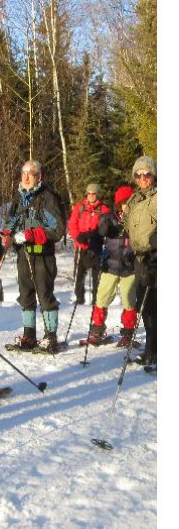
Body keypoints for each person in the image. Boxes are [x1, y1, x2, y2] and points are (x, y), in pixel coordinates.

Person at [0, 159, 67, 351]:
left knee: (45, 295)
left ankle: (50, 337)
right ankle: (29, 336)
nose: (27, 177)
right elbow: (12, 220)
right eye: (24, 173)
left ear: (39, 176)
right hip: (23, 254)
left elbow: (58, 229)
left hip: (42, 255)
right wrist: (7, 233)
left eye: (31, 173)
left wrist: (31, 234)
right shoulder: (19, 197)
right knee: (25, 295)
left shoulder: (47, 197)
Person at [79, 185, 138, 348]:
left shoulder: (138, 219)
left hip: (130, 267)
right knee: (101, 298)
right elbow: (98, 234)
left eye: (129, 202)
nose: (126, 206)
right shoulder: (109, 218)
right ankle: (98, 330)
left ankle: (128, 333)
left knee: (129, 300)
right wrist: (92, 250)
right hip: (110, 265)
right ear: (118, 204)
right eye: (123, 203)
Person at [120, 156, 157, 370]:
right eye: (138, 174)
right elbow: (126, 225)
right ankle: (151, 349)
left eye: (147, 174)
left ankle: (155, 351)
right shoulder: (134, 199)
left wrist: (156, 243)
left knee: (155, 306)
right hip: (140, 259)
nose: (142, 178)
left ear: (153, 175)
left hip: (155, 258)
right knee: (144, 306)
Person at [68, 183, 111, 305]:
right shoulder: (80, 207)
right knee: (79, 275)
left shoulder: (103, 209)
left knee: (97, 276)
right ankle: (79, 298)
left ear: (98, 194)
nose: (91, 196)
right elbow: (72, 224)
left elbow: (107, 227)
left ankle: (96, 300)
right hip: (81, 246)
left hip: (97, 246)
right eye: (89, 194)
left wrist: (97, 235)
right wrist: (77, 237)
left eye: (94, 194)